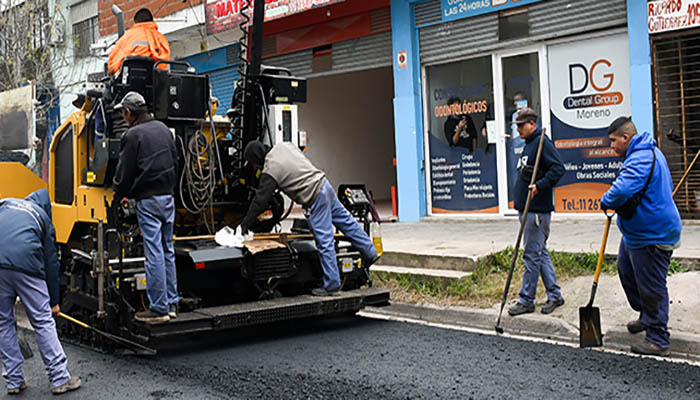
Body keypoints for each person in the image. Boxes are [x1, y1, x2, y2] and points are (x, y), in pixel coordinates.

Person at [239, 141, 380, 296]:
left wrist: (244, 225)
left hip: (314, 196)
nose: (255, 167)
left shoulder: (271, 168)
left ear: (256, 158)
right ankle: (370, 251)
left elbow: (260, 201)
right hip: (324, 185)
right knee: (347, 222)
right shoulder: (284, 146)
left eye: (253, 163)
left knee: (324, 241)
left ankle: (332, 286)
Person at [600, 117, 682, 357]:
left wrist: (605, 200)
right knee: (625, 270)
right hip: (636, 233)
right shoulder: (645, 153)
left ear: (626, 138)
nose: (611, 146)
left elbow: (622, 190)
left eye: (613, 141)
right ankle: (646, 316)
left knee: (651, 286)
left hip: (652, 235)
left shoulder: (641, 158)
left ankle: (658, 338)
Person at [0, 189, 81, 395]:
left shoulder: (6, 203)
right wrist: (54, 302)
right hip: (27, 265)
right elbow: (51, 264)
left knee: (2, 322)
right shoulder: (42, 217)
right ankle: (59, 378)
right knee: (42, 320)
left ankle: (14, 380)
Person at [112, 92, 179, 323]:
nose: (123, 117)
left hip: (148, 200)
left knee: (154, 252)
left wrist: (118, 194)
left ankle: (159, 308)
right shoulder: (163, 129)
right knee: (168, 249)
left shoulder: (132, 135)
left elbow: (124, 172)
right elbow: (175, 160)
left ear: (129, 112)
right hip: (168, 197)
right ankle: (171, 303)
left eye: (123, 113)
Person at [508, 108, 566, 316]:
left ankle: (526, 300)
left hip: (536, 211)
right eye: (516, 126)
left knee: (532, 255)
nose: (518, 130)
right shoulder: (529, 144)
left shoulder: (543, 143)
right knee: (540, 253)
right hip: (527, 210)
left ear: (532, 123)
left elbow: (558, 169)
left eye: (521, 126)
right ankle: (555, 295)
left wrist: (539, 186)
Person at [107, 8, 170, 76]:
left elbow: (112, 64)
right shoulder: (160, 38)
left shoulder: (126, 37)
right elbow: (164, 62)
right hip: (153, 79)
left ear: (136, 22)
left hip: (129, 78)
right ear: (152, 21)